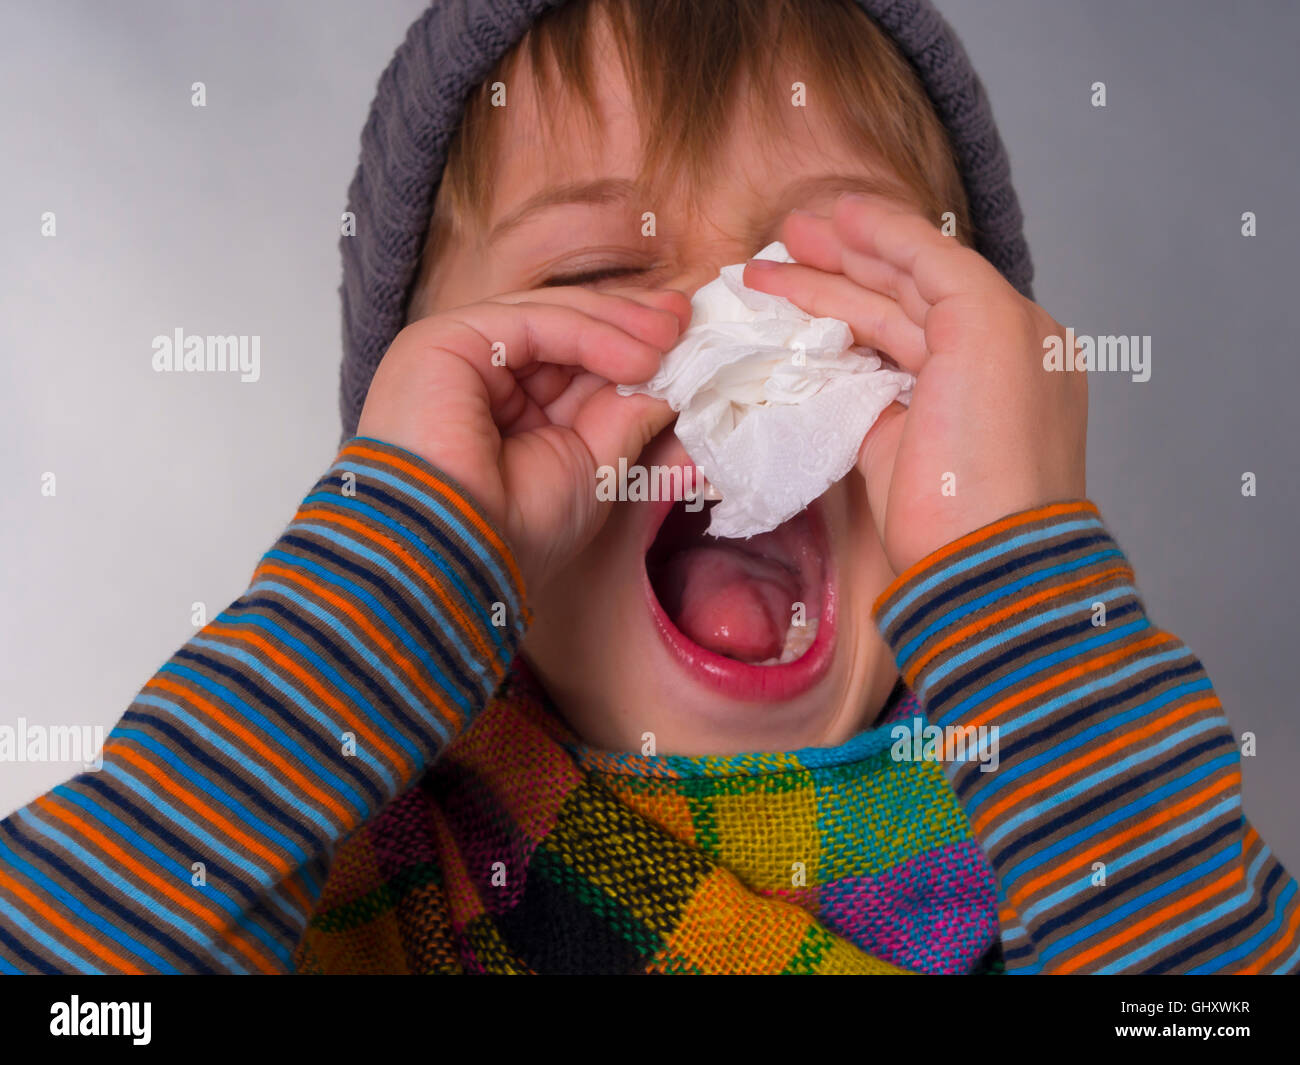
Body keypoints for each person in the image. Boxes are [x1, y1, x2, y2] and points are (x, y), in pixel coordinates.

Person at [2, 0, 1295, 975]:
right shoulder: (333, 876)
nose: (737, 346)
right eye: (590, 282)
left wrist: (1029, 601)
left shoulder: (1090, 849)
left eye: (834, 288)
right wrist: (373, 596)